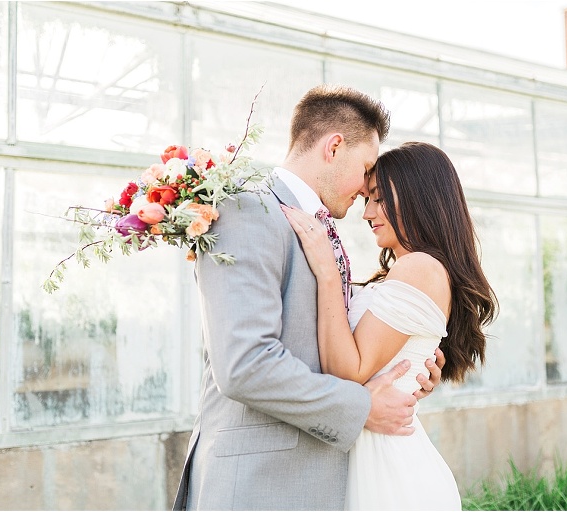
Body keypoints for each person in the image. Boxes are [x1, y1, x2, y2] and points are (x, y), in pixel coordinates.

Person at [173, 86, 447, 511]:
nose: (365, 191)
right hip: (257, 488)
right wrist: (361, 407)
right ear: (334, 147)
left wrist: (405, 370)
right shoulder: (248, 211)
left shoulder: (311, 224)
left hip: (320, 482)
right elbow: (246, 364)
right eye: (366, 168)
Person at [282, 141, 499, 510]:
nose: (367, 213)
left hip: (386, 469)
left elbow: (348, 370)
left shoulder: (419, 268)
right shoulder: (410, 270)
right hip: (375, 452)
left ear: (421, 198)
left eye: (379, 199)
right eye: (367, 198)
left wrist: (328, 275)